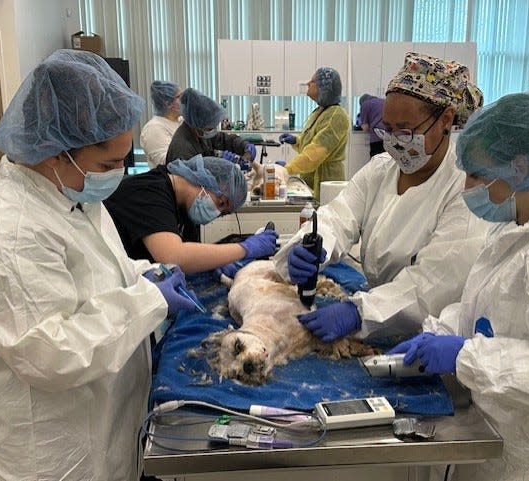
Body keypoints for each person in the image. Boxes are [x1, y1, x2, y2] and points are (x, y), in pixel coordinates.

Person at [0, 49, 200, 481]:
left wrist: (147, 275)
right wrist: (150, 301)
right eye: (108, 165)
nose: (117, 175)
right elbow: (49, 352)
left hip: (103, 429)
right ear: (56, 151)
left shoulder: (70, 192)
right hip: (44, 454)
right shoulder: (9, 230)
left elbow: (104, 271)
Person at [392, 85, 529, 481]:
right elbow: (487, 311)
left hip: (525, 464)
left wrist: (466, 355)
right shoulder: (514, 230)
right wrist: (436, 334)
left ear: (522, 168)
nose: (467, 188)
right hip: (489, 441)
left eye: (478, 174)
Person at [274, 52, 488, 342]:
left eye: (405, 130)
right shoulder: (381, 169)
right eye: (388, 129)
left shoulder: (464, 189)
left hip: (423, 337)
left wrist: (360, 313)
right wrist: (313, 243)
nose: (395, 141)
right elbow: (339, 214)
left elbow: (433, 285)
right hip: (375, 317)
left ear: (446, 120)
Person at [104, 154, 277, 274]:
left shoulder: (184, 208)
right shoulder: (149, 192)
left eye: (222, 213)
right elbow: (174, 256)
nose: (216, 213)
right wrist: (244, 249)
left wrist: (212, 262)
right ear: (205, 178)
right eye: (221, 203)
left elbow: (190, 253)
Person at [277, 67, 349, 199]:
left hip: (327, 181)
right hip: (313, 177)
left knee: (323, 216)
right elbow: (311, 143)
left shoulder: (337, 115)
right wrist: (296, 141)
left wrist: (288, 168)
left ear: (325, 88)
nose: (308, 83)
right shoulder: (320, 112)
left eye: (313, 81)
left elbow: (315, 152)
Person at [165, 87, 256, 168]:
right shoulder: (182, 148)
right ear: (197, 125)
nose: (213, 130)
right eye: (210, 127)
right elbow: (192, 180)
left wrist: (243, 145)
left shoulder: (200, 134)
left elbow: (223, 139)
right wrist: (220, 164)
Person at [140, 80, 183, 168]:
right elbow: (167, 163)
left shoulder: (181, 121)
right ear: (167, 103)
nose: (184, 100)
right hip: (169, 180)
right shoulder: (154, 128)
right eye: (180, 97)